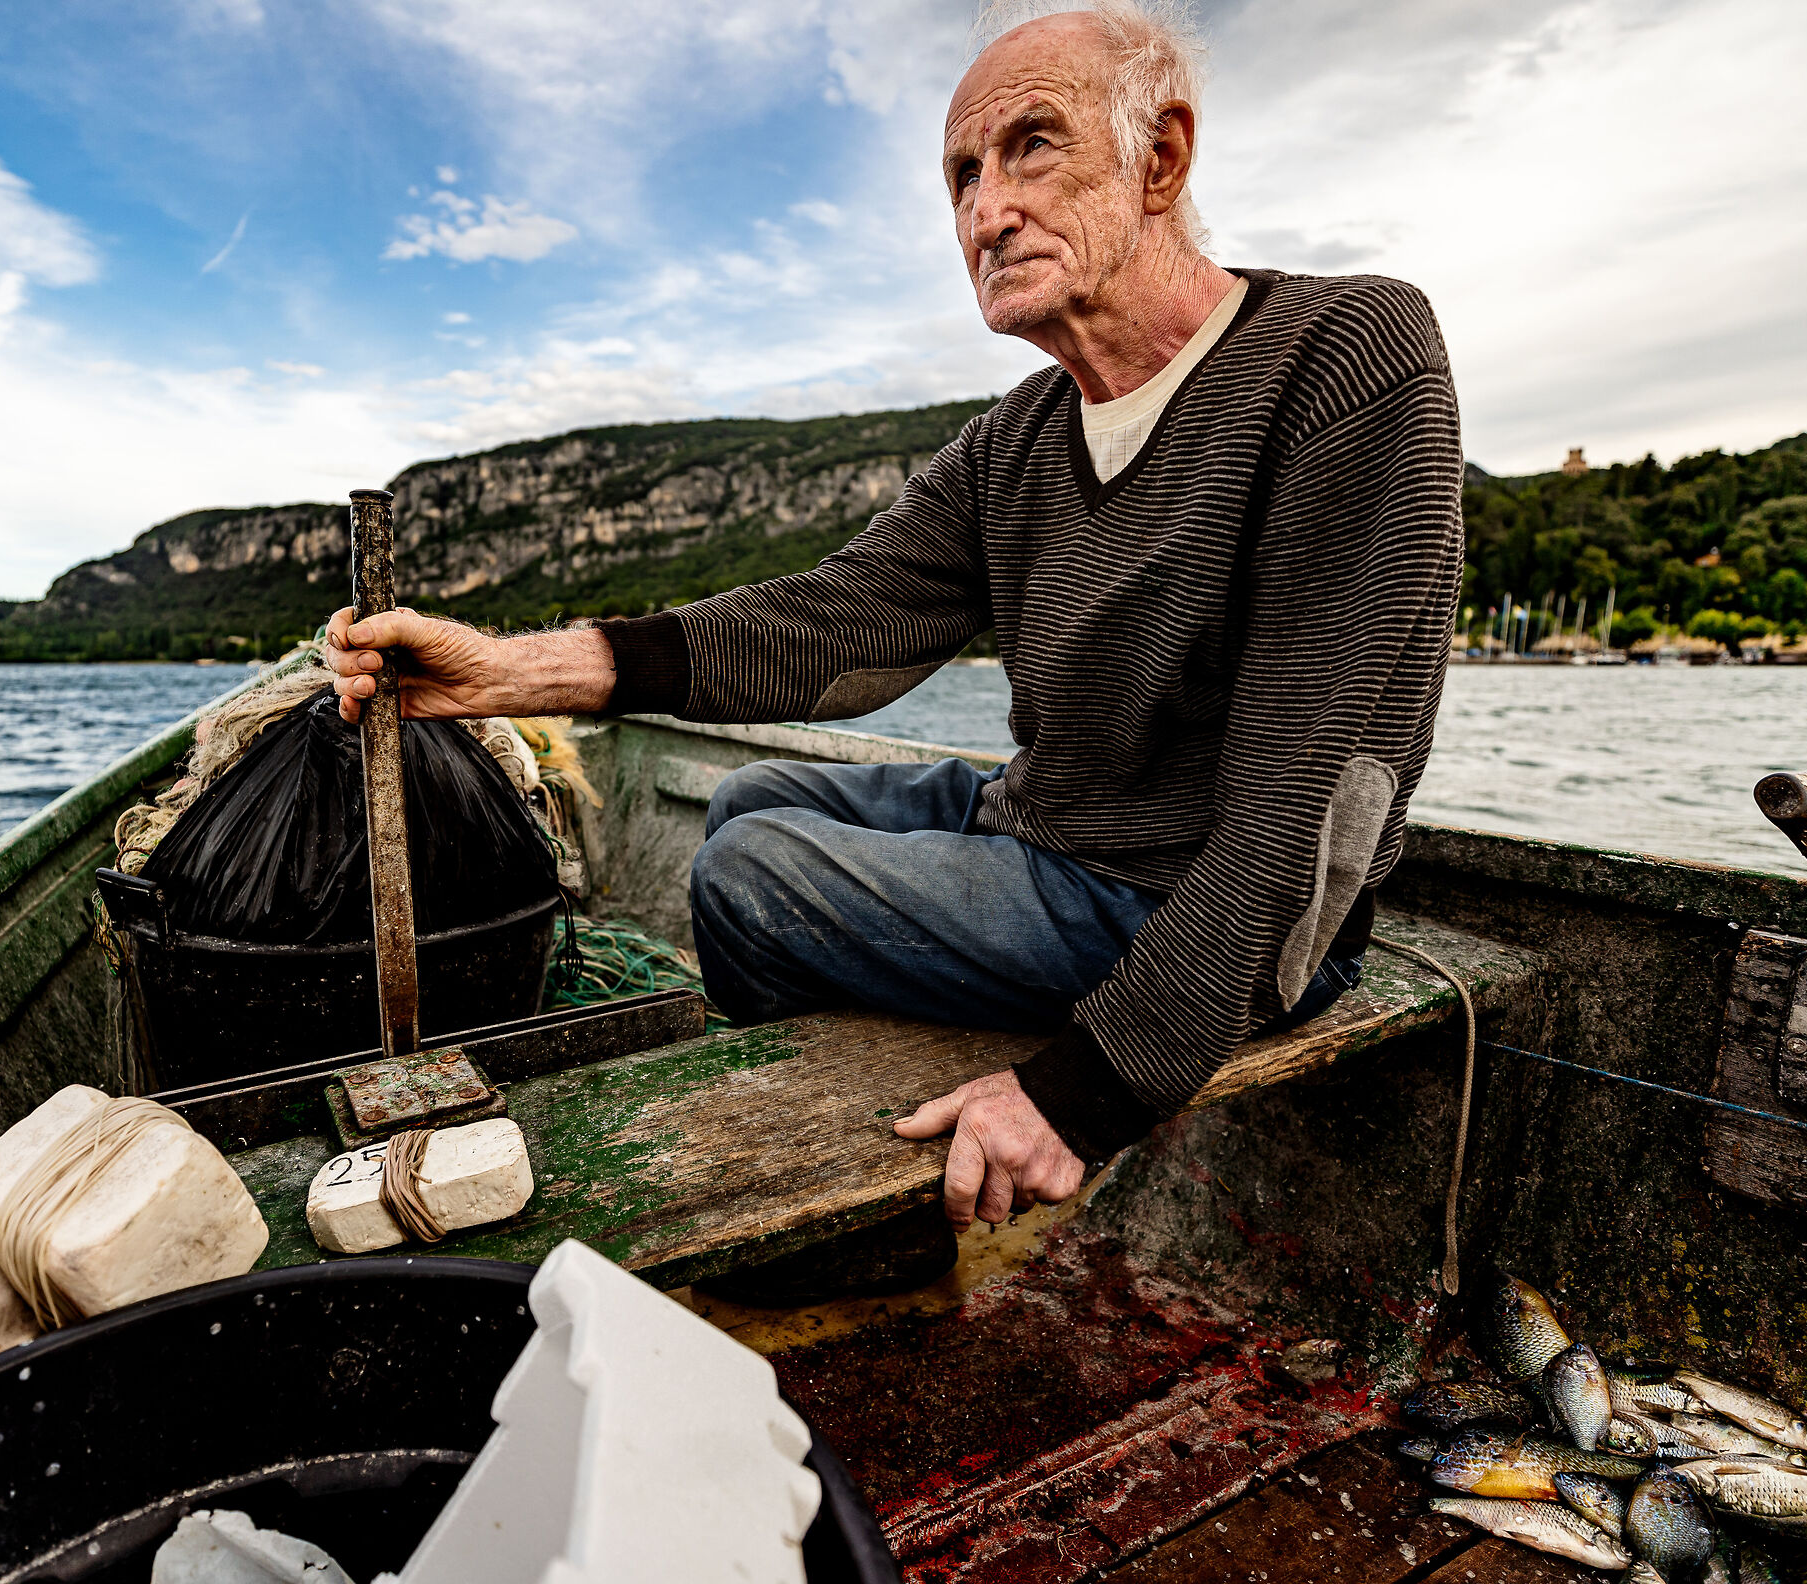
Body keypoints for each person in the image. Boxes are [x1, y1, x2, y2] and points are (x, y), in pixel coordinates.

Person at [325, 1, 1464, 1233]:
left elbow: (1317, 807)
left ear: (1162, 158)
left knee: (750, 875)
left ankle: (853, 1216)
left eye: (1032, 146)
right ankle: (861, 1078)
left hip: (1198, 898)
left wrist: (1079, 1098)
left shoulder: (1347, 354)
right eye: (962, 177)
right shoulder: (1017, 442)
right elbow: (830, 626)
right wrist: (498, 671)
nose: (985, 212)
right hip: (1058, 826)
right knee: (753, 800)